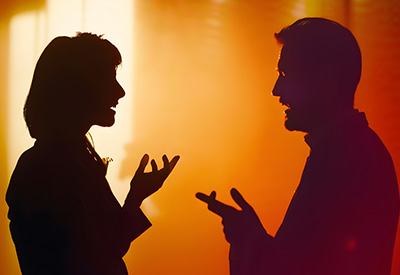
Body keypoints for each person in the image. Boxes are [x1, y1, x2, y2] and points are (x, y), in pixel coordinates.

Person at [196, 17, 399, 275]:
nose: (276, 90)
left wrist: (249, 240)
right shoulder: (353, 150)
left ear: (326, 82)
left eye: (286, 74)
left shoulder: (342, 159)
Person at [6, 33, 179, 275]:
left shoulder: (71, 160)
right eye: (109, 80)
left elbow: (107, 245)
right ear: (77, 90)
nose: (120, 92)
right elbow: (97, 255)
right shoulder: (47, 169)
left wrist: (136, 195)